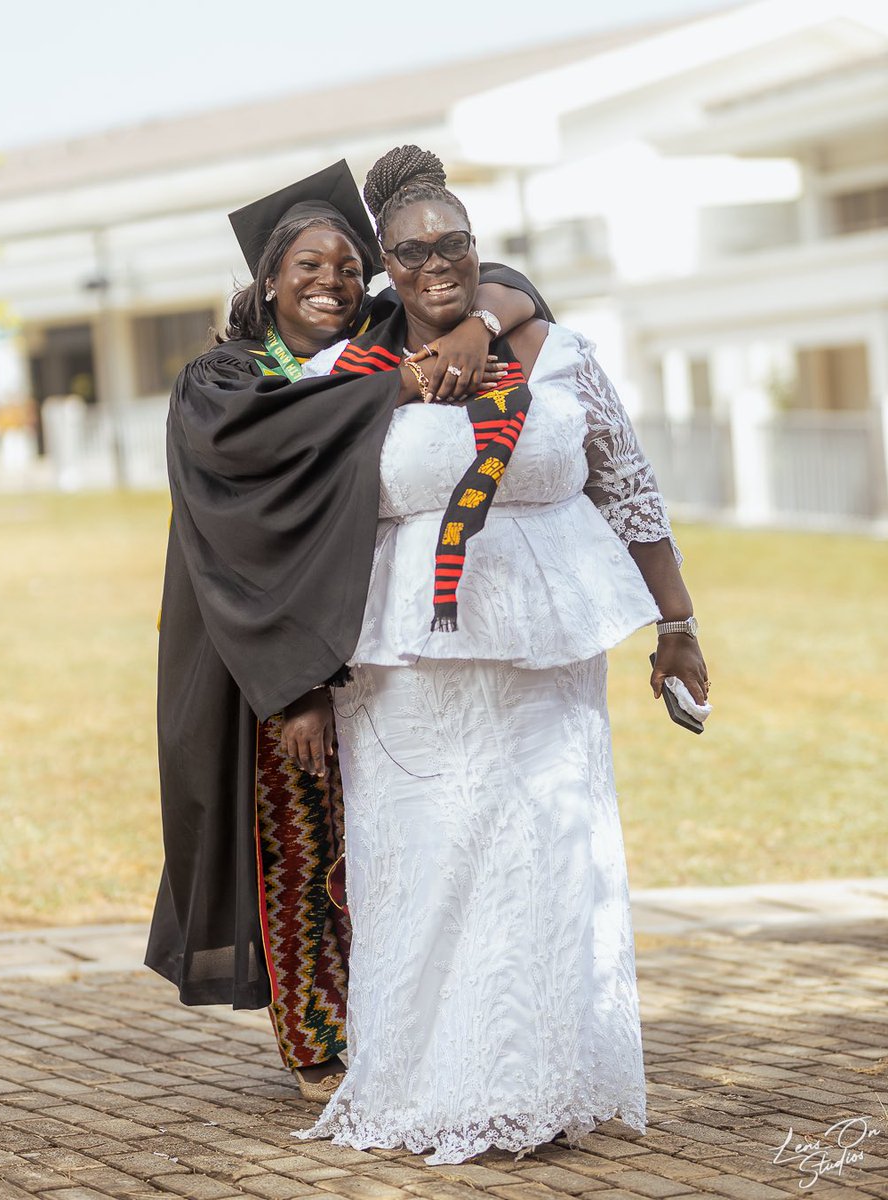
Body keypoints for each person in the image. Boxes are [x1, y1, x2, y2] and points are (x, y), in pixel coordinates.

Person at [293, 146, 709, 1163]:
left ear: (482, 252)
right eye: (415, 250)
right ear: (385, 266)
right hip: (404, 663)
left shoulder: (557, 352)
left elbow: (628, 484)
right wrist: (296, 676)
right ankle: (435, 1084)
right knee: (430, 866)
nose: (440, 263)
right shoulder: (342, 378)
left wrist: (677, 622)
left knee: (547, 859)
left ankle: (547, 1078)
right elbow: (291, 535)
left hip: (552, 648)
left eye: (458, 244)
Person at [146, 160, 549, 1102]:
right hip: (261, 657)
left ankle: (385, 1023)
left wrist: (479, 329)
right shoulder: (226, 382)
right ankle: (318, 1048)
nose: (330, 282)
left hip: (362, 650)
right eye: (308, 267)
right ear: (269, 282)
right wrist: (293, 687)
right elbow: (242, 541)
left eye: (345, 266)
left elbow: (519, 289)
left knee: (372, 850)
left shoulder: (366, 343)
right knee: (298, 848)